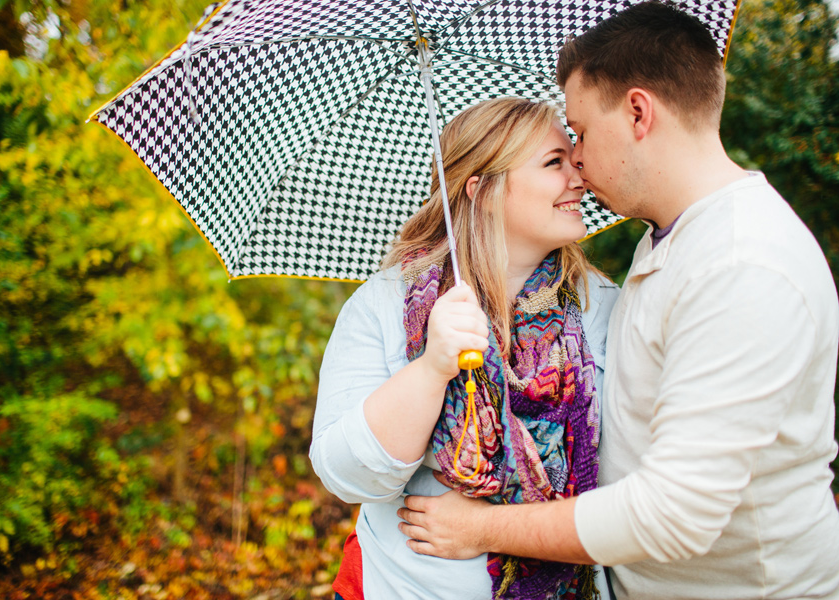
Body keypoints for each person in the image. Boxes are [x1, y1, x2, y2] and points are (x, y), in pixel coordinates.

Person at [397, 3, 839, 599]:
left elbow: (672, 513)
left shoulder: (742, 264)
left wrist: (482, 527)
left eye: (579, 132)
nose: (576, 158)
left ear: (637, 112)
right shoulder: (677, 238)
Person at [309, 97, 619, 599]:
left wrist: (488, 528)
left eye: (572, 157)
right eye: (553, 163)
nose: (578, 176)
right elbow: (348, 475)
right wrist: (432, 367)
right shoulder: (385, 304)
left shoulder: (600, 307)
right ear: (484, 189)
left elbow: (632, 486)